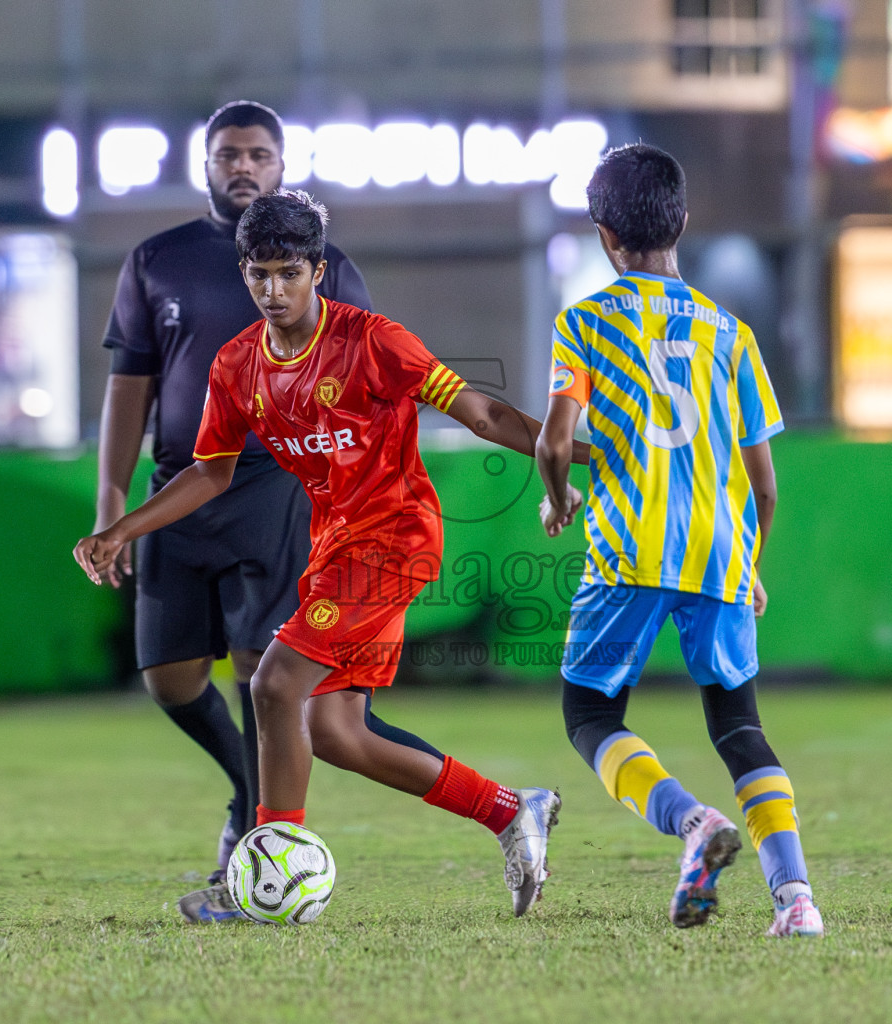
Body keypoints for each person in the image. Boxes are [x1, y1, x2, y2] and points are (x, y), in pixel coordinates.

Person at [76, 189, 582, 919]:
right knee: (336, 733)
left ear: (318, 270)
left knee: (274, 685)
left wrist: (573, 453)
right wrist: (123, 526)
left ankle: (265, 878)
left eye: (289, 272)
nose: (273, 290)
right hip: (335, 545)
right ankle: (510, 810)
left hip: (398, 537)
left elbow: (482, 410)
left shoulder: (372, 340)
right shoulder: (238, 365)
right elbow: (211, 470)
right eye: (258, 274)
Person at [536, 144, 823, 936]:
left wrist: (558, 500)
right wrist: (748, 562)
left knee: (590, 713)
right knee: (739, 726)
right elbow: (764, 483)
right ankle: (795, 899)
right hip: (720, 549)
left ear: (603, 236)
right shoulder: (731, 334)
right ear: (684, 223)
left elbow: (555, 442)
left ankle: (692, 823)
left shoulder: (584, 322)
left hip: (629, 549)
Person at [95, 102, 375, 913]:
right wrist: (111, 498)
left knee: (263, 673)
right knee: (169, 677)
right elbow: (129, 387)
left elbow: (365, 394)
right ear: (206, 165)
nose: (242, 167)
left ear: (283, 165)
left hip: (277, 487)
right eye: (227, 155)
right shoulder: (159, 261)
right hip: (181, 485)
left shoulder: (330, 266)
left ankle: (262, 841)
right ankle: (244, 793)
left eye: (257, 154)